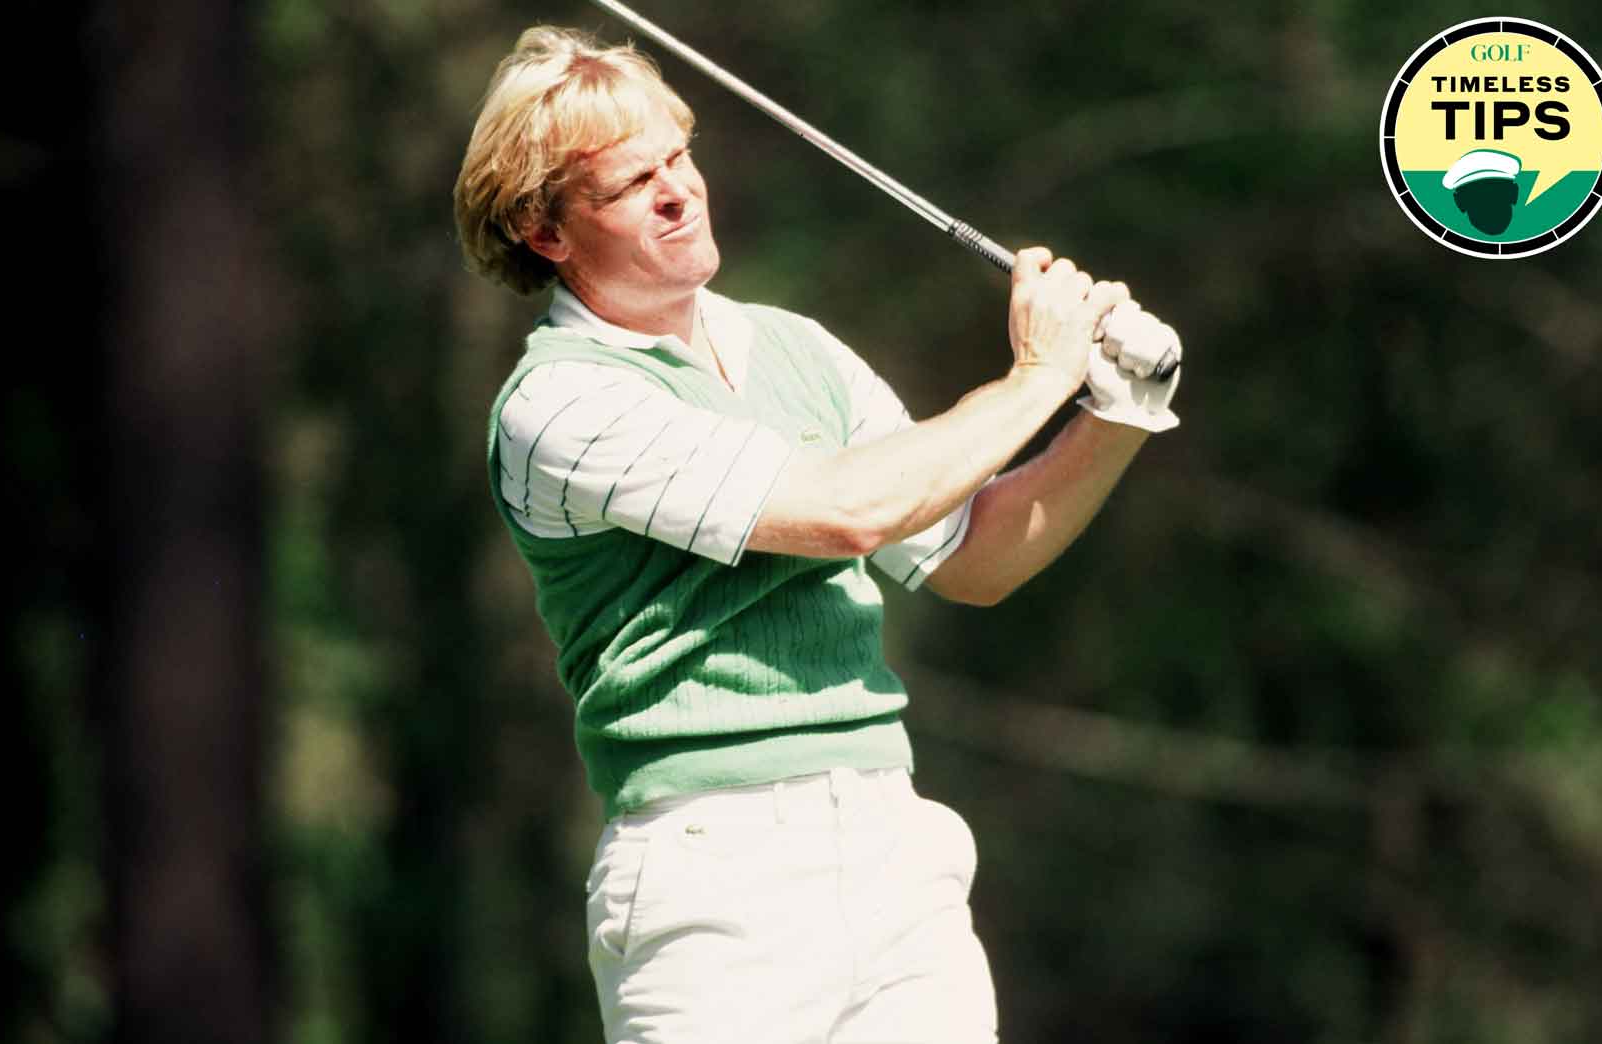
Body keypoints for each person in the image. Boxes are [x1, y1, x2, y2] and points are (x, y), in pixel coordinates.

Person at [454, 25, 1184, 1044]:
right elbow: (848, 513)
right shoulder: (558, 404)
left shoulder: (798, 350)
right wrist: (1038, 377)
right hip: (711, 879)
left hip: (892, 841)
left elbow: (970, 556)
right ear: (545, 232)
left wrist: (1112, 410)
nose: (679, 191)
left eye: (678, 156)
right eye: (631, 185)